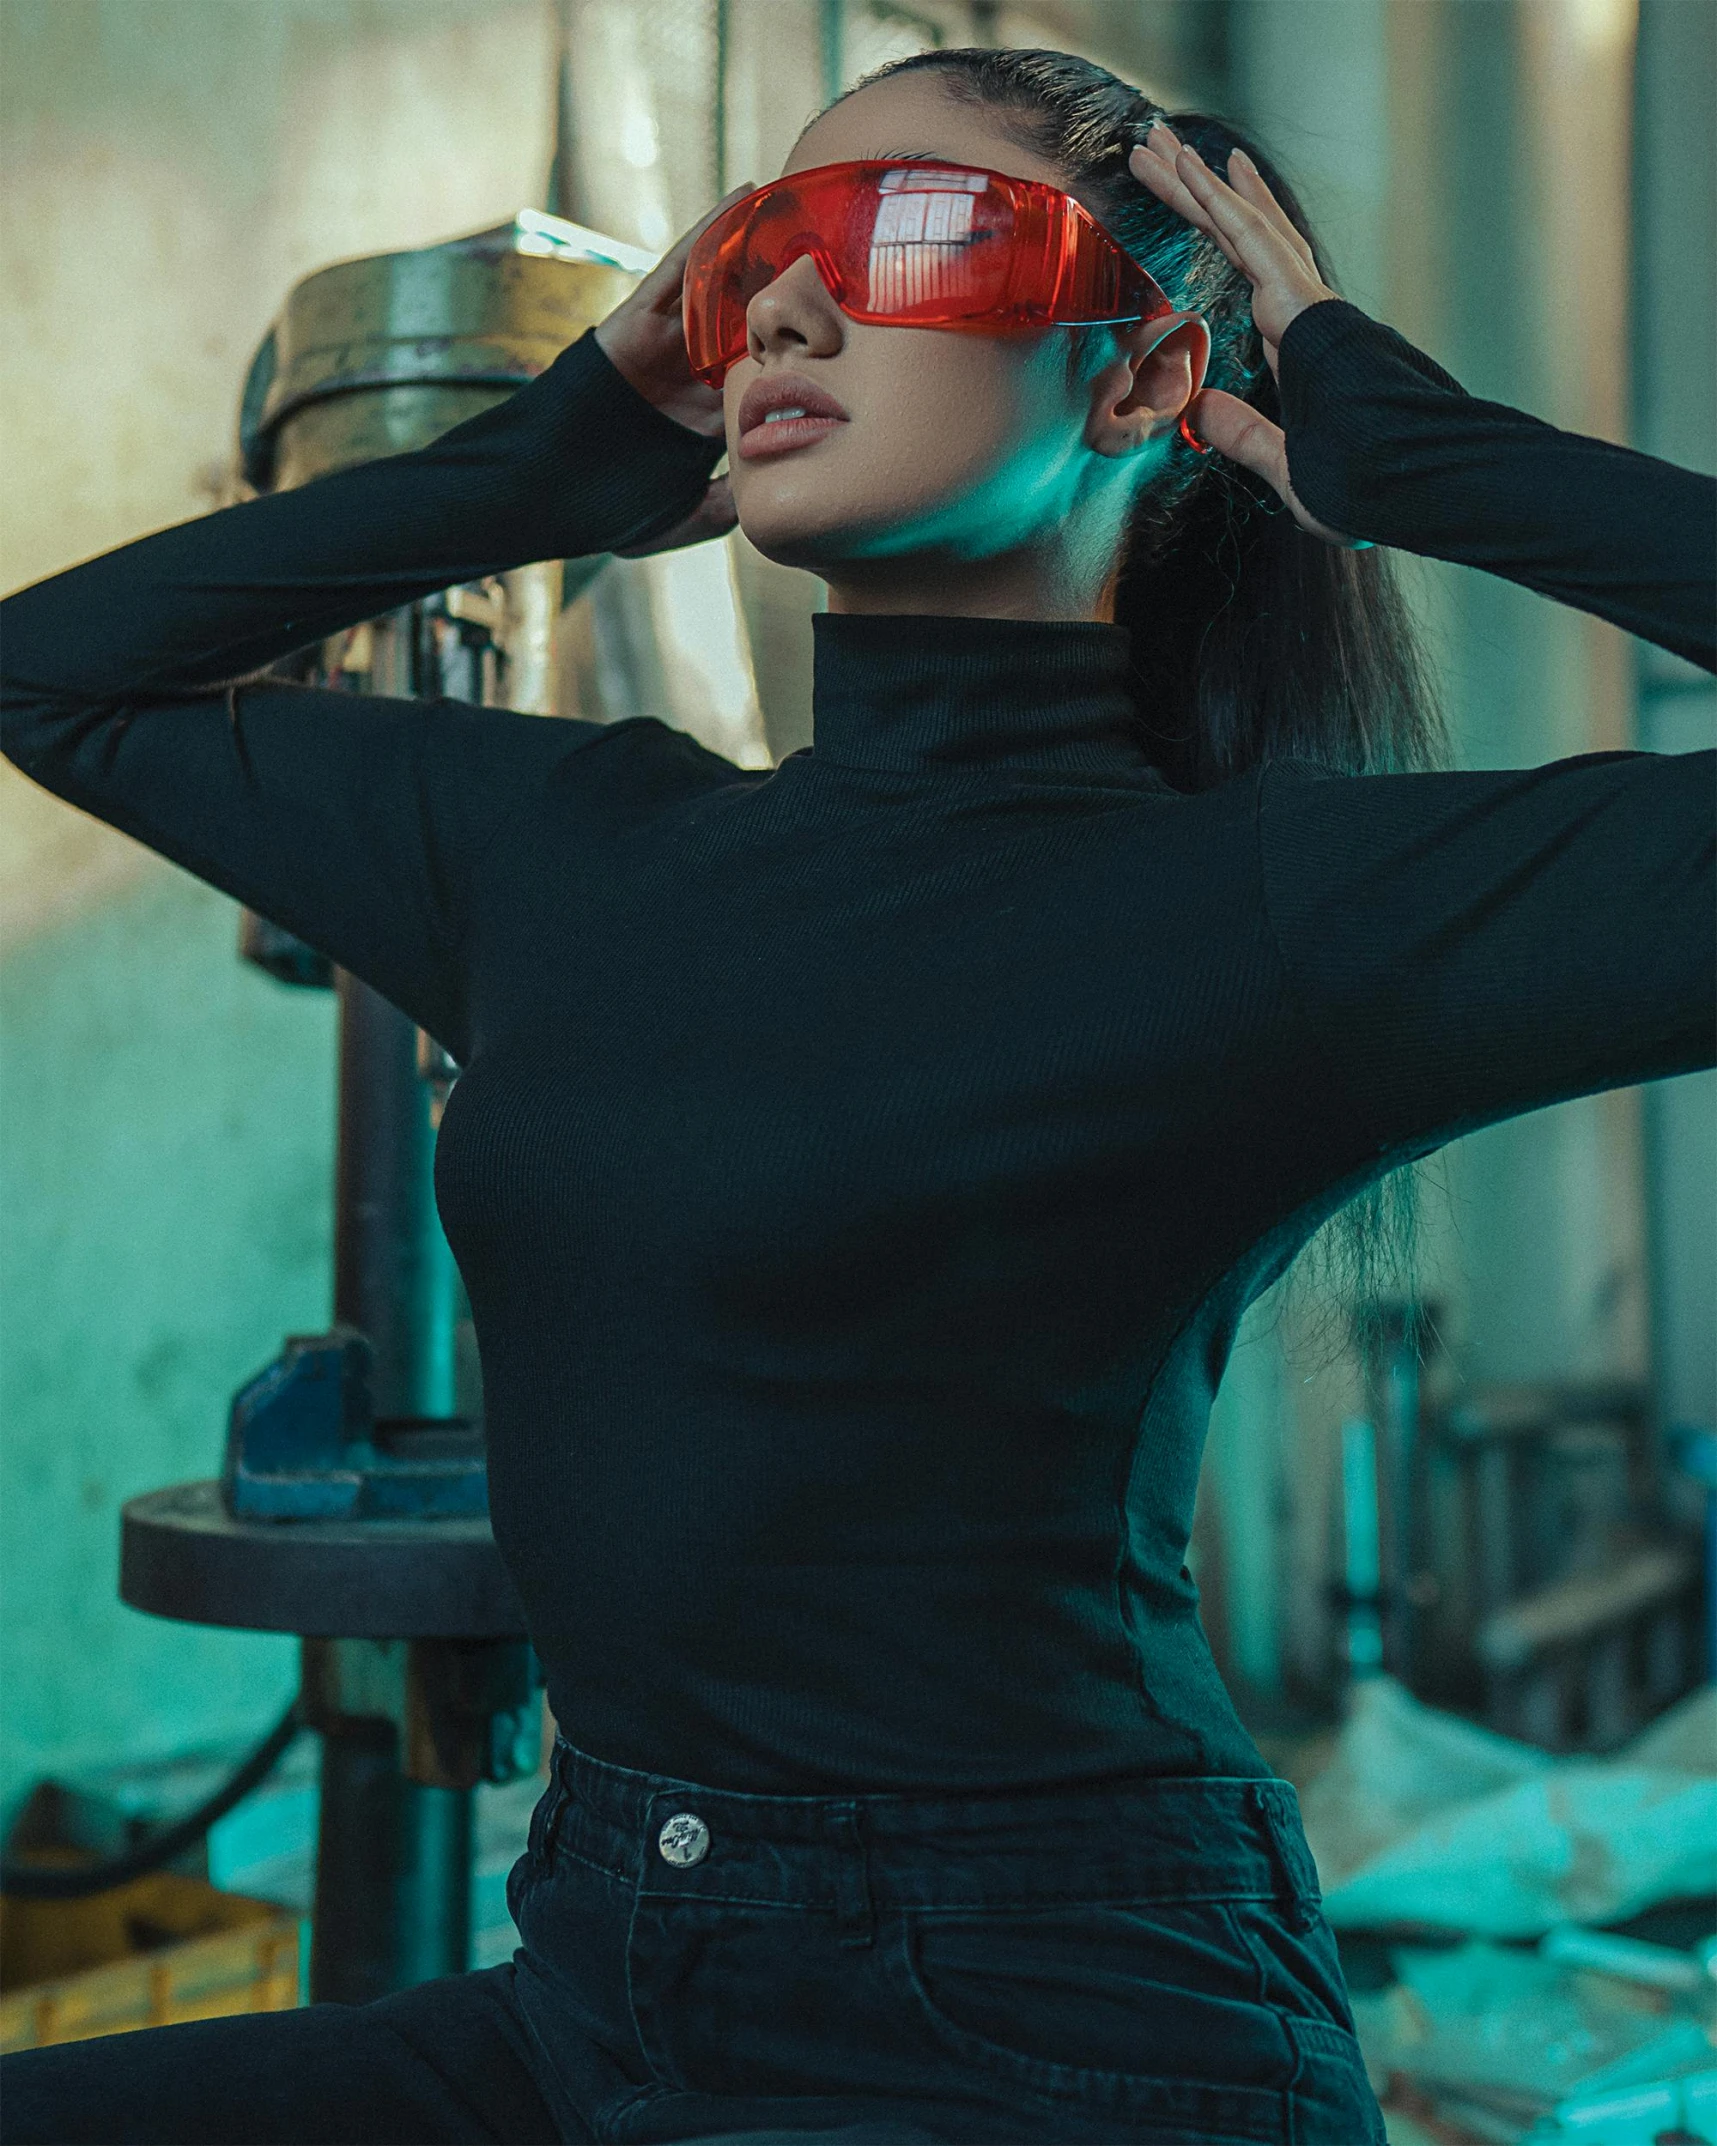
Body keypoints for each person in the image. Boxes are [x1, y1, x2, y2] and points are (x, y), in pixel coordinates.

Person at [1, 42, 1711, 2146]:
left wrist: (1438, 465)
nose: (789, 309)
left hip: (1051, 2014)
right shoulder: (562, 851)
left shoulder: (1280, 912)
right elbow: (45, 677)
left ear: (1144, 379)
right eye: (749, 262)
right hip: (594, 1988)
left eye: (910, 237)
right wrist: (529, 479)